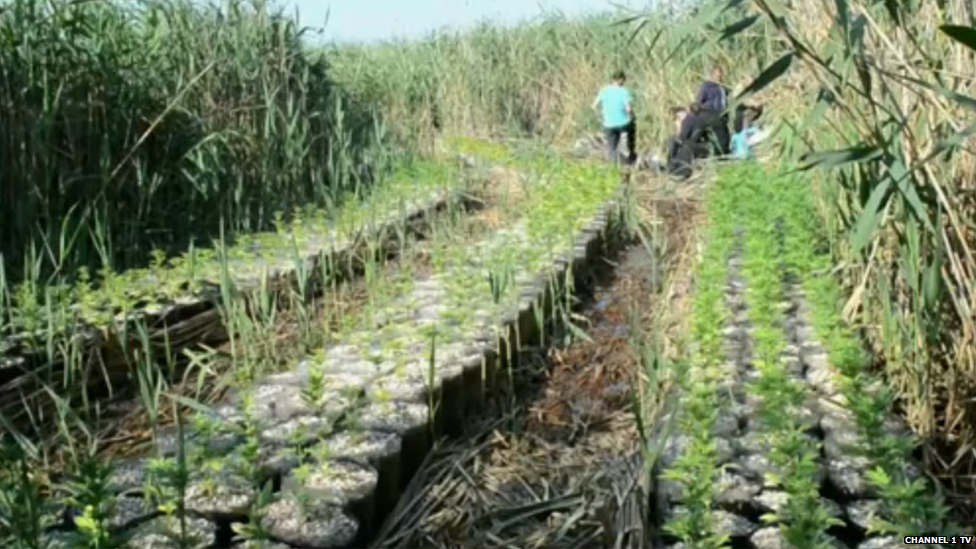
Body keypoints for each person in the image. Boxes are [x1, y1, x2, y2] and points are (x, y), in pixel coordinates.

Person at [592, 70, 636, 165]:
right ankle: (629, 157)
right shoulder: (624, 91)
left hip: (608, 124)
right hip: (623, 124)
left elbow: (594, 106)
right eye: (624, 80)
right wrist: (633, 117)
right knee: (630, 132)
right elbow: (628, 109)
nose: (624, 83)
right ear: (621, 80)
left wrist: (600, 117)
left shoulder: (604, 90)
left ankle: (613, 165)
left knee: (611, 147)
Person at [694, 66, 732, 155]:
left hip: (721, 115)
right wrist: (704, 109)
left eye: (721, 76)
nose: (719, 77)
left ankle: (722, 154)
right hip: (711, 114)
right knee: (719, 136)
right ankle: (718, 155)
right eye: (717, 76)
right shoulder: (707, 86)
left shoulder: (723, 88)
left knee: (725, 137)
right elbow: (699, 101)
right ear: (712, 75)